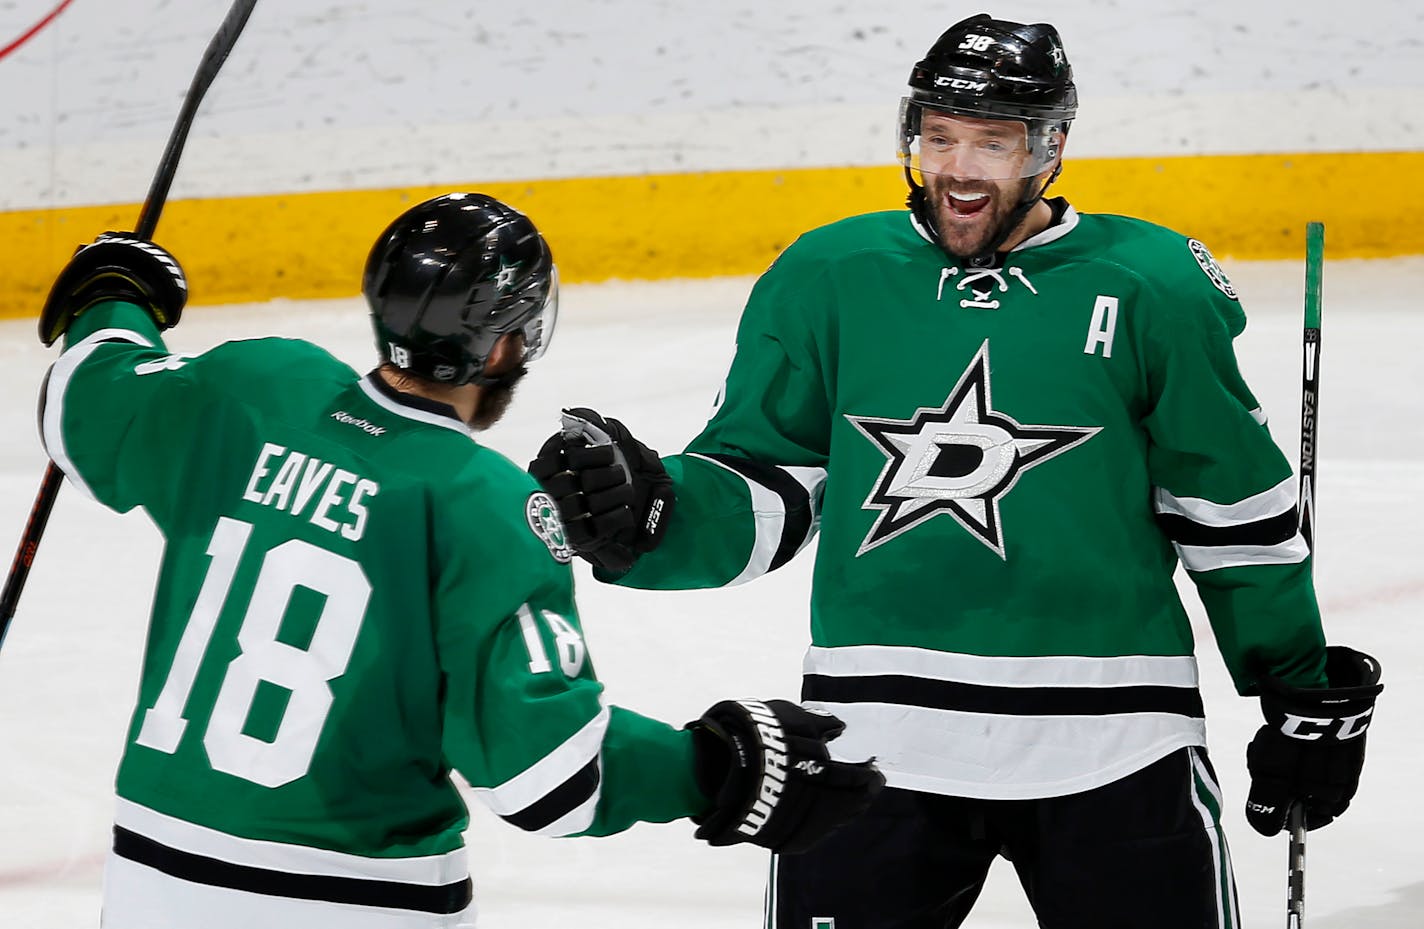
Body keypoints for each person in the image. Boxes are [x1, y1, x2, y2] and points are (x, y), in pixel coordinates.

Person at [529, 15, 1384, 929]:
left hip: (1117, 740)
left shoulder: (1151, 285)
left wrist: (1295, 680)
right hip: (876, 744)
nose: (960, 169)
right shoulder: (830, 275)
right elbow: (767, 485)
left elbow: (1228, 506)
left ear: (1050, 148)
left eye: (992, 141)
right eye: (940, 136)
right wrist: (656, 517)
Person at [33, 193, 883, 929]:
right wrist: (713, 767)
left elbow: (87, 395)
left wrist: (117, 297)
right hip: (353, 893)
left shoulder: (253, 389)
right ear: (506, 343)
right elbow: (547, 777)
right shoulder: (483, 502)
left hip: (152, 872)